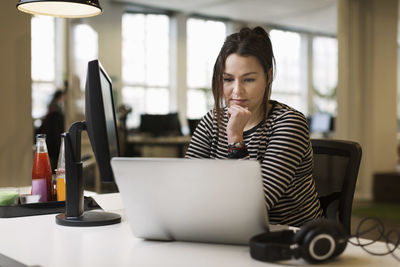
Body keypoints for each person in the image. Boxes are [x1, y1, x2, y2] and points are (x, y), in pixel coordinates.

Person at [185, 27, 323, 227]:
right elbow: (187, 186)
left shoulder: (290, 123)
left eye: (249, 79)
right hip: (224, 228)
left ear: (268, 77)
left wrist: (234, 137)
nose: (237, 91)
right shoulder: (212, 120)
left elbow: (253, 205)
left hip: (290, 238)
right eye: (228, 79)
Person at [37, 89, 66, 172]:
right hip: (54, 142)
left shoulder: (51, 107)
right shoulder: (56, 111)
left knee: (53, 164)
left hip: (50, 142)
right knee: (55, 165)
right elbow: (56, 130)